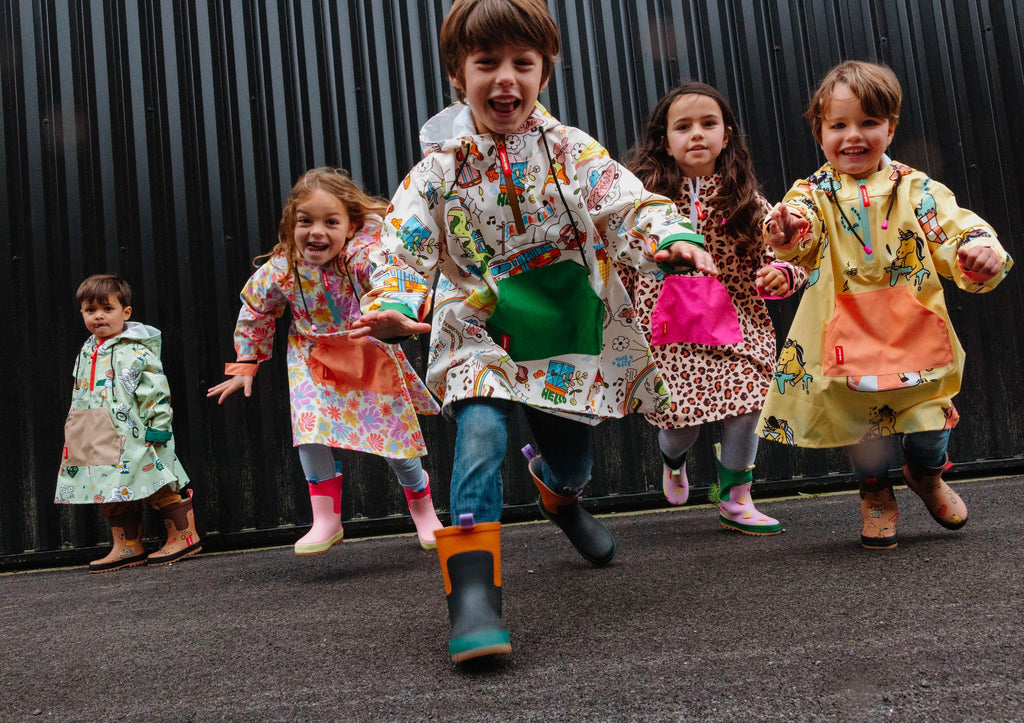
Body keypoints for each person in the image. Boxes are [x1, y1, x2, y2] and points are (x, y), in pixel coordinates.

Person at [351, 0, 717, 663]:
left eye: (523, 62)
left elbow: (624, 198)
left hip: (563, 326)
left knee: (575, 458)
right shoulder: (438, 169)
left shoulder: (572, 150)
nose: (505, 79)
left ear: (544, 72)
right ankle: (473, 600)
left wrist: (670, 237)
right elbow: (404, 242)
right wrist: (394, 300)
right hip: (480, 325)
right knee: (482, 433)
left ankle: (558, 490)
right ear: (457, 76)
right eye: (486, 62)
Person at [761, 60, 1013, 549]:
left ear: (890, 128)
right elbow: (799, 230)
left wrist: (982, 251)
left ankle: (926, 473)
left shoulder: (915, 190)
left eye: (868, 123)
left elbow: (956, 227)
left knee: (929, 416)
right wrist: (786, 232)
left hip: (910, 324)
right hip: (847, 329)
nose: (853, 136)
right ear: (820, 132)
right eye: (838, 125)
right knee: (864, 426)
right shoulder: (811, 193)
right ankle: (875, 492)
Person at [207, 167, 444, 554]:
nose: (316, 231)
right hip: (311, 354)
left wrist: (399, 309)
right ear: (291, 224)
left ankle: (422, 507)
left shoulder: (363, 258)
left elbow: (394, 276)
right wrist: (246, 362)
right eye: (306, 221)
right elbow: (256, 308)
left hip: (364, 350)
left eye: (330, 222)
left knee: (394, 440)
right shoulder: (283, 269)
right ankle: (326, 518)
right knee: (310, 429)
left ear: (350, 228)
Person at [623, 81, 807, 533]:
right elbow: (621, 261)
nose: (697, 134)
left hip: (737, 322)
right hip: (668, 333)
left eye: (709, 123)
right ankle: (673, 459)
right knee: (681, 424)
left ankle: (736, 498)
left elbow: (788, 255)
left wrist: (782, 274)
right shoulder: (643, 202)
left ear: (727, 136)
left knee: (751, 401)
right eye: (683, 126)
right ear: (664, 141)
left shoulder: (744, 200)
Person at [55, 274, 202, 572]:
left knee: (156, 480)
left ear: (126, 312)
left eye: (107, 309)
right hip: (92, 429)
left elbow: (156, 390)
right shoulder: (87, 348)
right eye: (90, 310)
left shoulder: (136, 350)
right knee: (107, 486)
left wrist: (159, 427)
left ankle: (184, 535)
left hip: (133, 432)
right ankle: (127, 545)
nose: (98, 316)